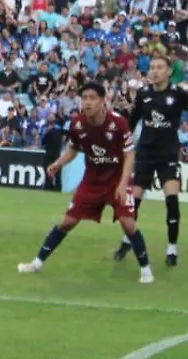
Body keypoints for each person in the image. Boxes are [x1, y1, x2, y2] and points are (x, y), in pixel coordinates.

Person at [19, 82, 153, 284]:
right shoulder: (78, 123)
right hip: (92, 181)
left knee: (128, 223)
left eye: (92, 98)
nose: (88, 102)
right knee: (68, 222)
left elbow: (129, 156)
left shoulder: (118, 123)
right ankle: (37, 263)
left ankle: (146, 269)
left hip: (118, 179)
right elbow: (73, 149)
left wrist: (123, 184)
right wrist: (58, 164)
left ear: (102, 101)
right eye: (85, 98)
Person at [116, 56, 188, 266]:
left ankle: (172, 250)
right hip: (145, 153)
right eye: (152, 67)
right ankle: (127, 239)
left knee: (171, 201)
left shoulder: (179, 95)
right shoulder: (143, 94)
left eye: (159, 67)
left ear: (168, 72)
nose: (154, 71)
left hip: (168, 154)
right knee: (133, 202)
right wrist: (124, 147)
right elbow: (131, 122)